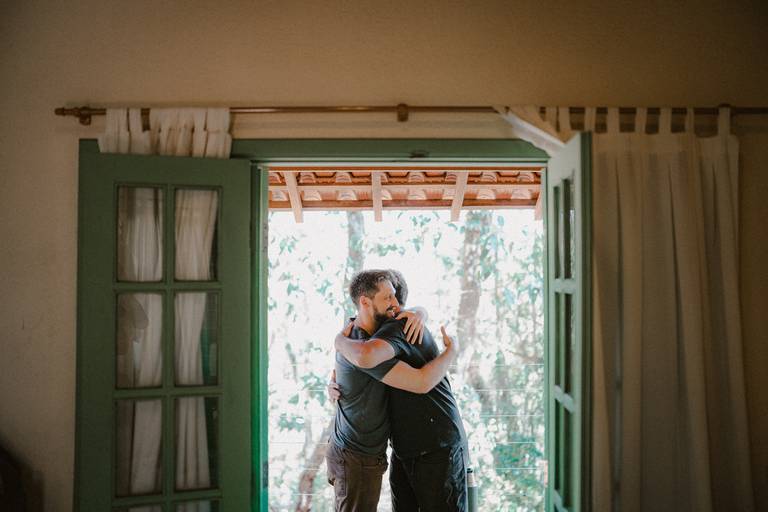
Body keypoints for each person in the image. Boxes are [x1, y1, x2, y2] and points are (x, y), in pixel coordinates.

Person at [332, 269, 469, 512]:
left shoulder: (399, 327)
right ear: (366, 302)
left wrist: (452, 350)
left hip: (435, 444)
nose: (394, 305)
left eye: (395, 297)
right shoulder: (368, 337)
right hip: (398, 448)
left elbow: (422, 381)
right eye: (387, 298)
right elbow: (356, 367)